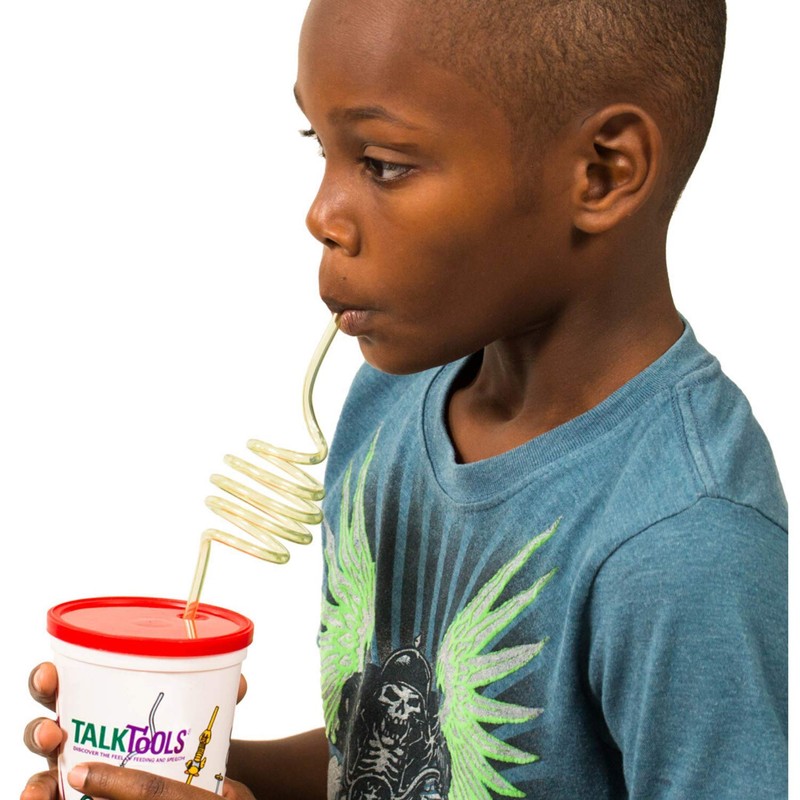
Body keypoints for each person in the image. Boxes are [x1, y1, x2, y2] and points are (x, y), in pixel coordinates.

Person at [22, 0, 788, 797]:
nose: (321, 215)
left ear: (603, 172)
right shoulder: (389, 399)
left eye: (383, 163)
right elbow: (377, 762)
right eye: (318, 145)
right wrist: (186, 767)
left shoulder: (685, 535)